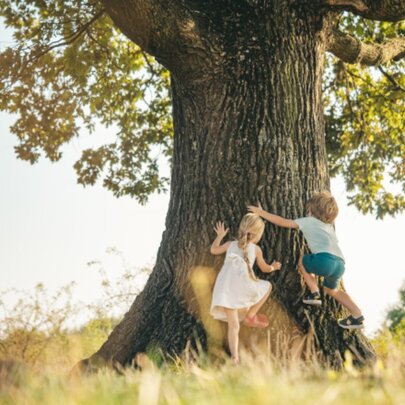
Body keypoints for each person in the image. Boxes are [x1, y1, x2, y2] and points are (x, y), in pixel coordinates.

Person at [248, 192, 364, 330]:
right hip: (340, 263)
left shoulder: (308, 221)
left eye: (308, 209)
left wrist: (261, 213)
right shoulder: (329, 226)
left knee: (302, 260)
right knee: (332, 290)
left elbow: (282, 222)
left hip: (324, 260)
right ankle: (357, 315)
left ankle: (314, 293)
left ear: (312, 211)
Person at [210, 213, 282, 364]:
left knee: (233, 325)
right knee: (267, 286)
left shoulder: (230, 244)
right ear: (258, 234)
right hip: (242, 285)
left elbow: (214, 250)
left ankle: (234, 357)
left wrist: (220, 236)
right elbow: (265, 268)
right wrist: (274, 267)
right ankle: (251, 315)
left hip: (226, 288)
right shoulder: (256, 249)